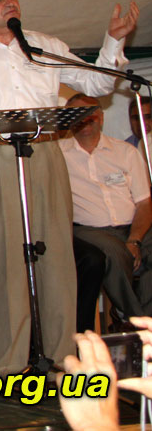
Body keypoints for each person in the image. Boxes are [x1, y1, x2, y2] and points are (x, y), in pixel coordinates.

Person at [0, 0, 139, 374]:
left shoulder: (44, 45)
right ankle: (10, 364)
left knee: (56, 255)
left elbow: (96, 84)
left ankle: (61, 358)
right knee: (4, 259)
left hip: (44, 153)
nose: (10, 2)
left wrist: (113, 42)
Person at [62, 93, 152, 319]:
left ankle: (144, 320)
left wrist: (135, 239)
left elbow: (144, 202)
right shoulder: (57, 155)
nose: (84, 120)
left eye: (89, 114)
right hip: (88, 230)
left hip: (133, 226)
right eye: (76, 115)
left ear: (101, 117)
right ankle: (134, 319)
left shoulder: (126, 151)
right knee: (113, 252)